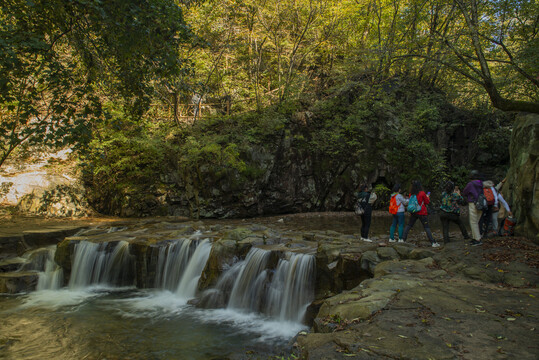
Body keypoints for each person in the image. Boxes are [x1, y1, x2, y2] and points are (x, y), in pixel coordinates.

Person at [401, 180, 440, 247]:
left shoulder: (411, 194)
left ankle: (403, 239)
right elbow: (427, 202)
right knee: (426, 227)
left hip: (414, 212)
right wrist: (427, 197)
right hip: (422, 212)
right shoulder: (422, 193)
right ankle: (433, 242)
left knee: (409, 225)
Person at [462, 170, 484, 246]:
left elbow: (465, 192)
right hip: (481, 204)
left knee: (473, 222)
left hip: (473, 203)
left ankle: (477, 239)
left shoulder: (470, 184)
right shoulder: (481, 183)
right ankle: (475, 238)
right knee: (476, 221)